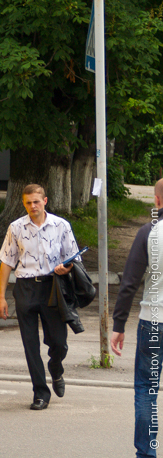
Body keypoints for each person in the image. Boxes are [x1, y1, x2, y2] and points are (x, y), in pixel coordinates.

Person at [0, 184, 80, 410]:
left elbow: (74, 258)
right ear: (23, 204)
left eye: (36, 201)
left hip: (53, 287)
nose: (32, 206)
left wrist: (67, 267)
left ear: (45, 201)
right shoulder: (16, 228)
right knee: (30, 344)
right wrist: (0, 297)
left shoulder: (61, 226)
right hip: (25, 288)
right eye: (28, 203)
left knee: (59, 342)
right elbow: (6, 262)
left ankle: (56, 367)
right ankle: (40, 393)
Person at [111, 178, 163, 458]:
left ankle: (146, 452)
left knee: (147, 388)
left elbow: (129, 282)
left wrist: (119, 325)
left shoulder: (148, 232)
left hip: (153, 320)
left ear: (156, 201)